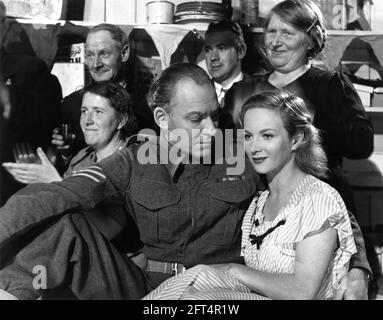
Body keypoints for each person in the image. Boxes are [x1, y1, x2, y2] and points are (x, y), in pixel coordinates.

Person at [0, 63, 261, 300]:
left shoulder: (242, 154)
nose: (212, 130)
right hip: (148, 289)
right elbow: (62, 193)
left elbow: (296, 184)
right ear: (162, 119)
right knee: (65, 229)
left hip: (216, 290)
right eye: (196, 119)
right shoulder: (135, 160)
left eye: (214, 116)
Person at [222, 0, 374, 298]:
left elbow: (361, 144)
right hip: (259, 213)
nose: (275, 41)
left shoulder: (329, 84)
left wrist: (359, 267)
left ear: (311, 38)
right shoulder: (242, 91)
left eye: (287, 33)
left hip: (318, 217)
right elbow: (223, 155)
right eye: (271, 31)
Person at [144, 90, 357, 300]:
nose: (254, 147)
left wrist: (234, 270)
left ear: (296, 139)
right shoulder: (260, 201)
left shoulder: (317, 199)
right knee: (194, 279)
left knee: (196, 300)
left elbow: (301, 292)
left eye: (267, 136)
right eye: (248, 136)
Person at [2, 82, 142, 260]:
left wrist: (54, 182)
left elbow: (107, 231)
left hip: (111, 263)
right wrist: (38, 178)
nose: (87, 120)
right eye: (84, 111)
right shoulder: (82, 157)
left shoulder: (129, 162)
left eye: (98, 112)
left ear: (121, 120)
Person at [53, 23, 154, 167]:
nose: (95, 64)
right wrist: (66, 152)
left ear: (124, 53)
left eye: (104, 54)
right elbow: (65, 167)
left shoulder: (149, 101)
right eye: (89, 55)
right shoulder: (72, 104)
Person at [0, 1, 62, 204]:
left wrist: (10, 99)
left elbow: (47, 126)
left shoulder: (31, 70)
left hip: (13, 196)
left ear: (3, 26)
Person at [203, 20, 250, 110]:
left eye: (221, 48)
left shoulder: (257, 92)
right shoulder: (199, 93)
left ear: (241, 51)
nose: (213, 57)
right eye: (208, 50)